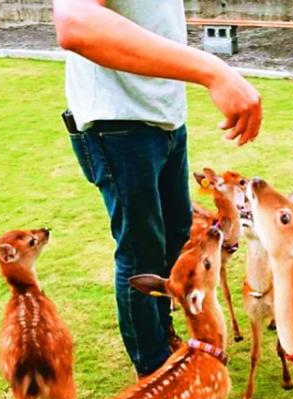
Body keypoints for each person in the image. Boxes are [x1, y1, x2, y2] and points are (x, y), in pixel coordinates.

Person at [54, 0, 262, 377]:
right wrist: (213, 71)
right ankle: (152, 373)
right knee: (140, 254)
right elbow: (76, 22)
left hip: (165, 117)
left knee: (174, 239)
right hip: (118, 123)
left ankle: (161, 333)